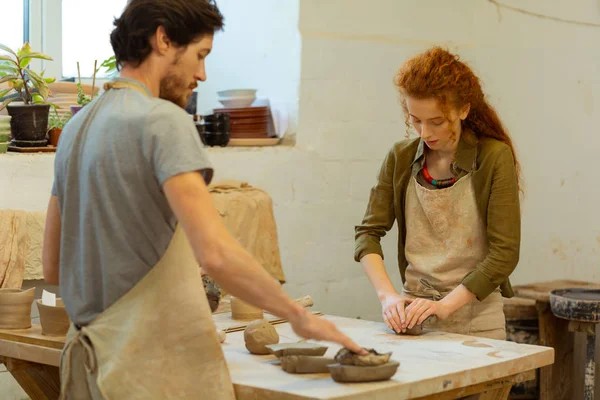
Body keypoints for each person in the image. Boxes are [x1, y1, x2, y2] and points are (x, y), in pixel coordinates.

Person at [42, 1, 363, 399]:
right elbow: (215, 254)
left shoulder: (74, 129)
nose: (202, 74)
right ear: (163, 39)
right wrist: (299, 317)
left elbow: (52, 266)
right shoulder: (162, 121)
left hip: (90, 373)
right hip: (147, 374)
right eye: (200, 55)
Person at [354, 47, 521, 341]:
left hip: (475, 319)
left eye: (437, 121)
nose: (424, 132)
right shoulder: (400, 157)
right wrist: (388, 297)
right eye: (415, 119)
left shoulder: (494, 157)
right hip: (411, 315)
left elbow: (504, 254)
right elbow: (368, 234)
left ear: (463, 110)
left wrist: (444, 306)